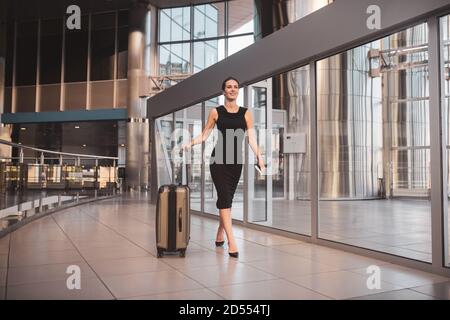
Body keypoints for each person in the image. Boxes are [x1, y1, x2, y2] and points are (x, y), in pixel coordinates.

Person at [182, 77, 265, 258]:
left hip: (236, 163)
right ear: (224, 91)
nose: (233, 89)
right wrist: (190, 143)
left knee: (226, 199)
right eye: (229, 87)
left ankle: (219, 232)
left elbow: (251, 138)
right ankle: (232, 242)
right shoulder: (215, 112)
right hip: (218, 161)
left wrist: (259, 157)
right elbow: (204, 135)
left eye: (236, 87)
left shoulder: (245, 113)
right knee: (225, 199)